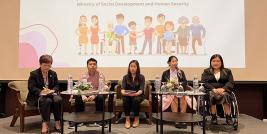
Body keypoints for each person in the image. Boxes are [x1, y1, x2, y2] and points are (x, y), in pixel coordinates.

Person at [26, 54, 62, 134]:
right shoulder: (34, 74)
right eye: (45, 65)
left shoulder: (53, 73)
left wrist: (52, 90)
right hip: (37, 97)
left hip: (50, 94)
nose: (47, 67)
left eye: (49, 65)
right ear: (40, 64)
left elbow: (57, 85)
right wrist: (41, 92)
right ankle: (45, 123)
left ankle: (57, 122)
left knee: (58, 99)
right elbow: (31, 87)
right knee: (47, 101)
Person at [69, 58, 107, 128]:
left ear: (96, 66)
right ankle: (78, 120)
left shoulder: (101, 75)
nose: (92, 66)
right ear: (87, 66)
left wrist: (94, 95)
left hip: (96, 94)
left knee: (100, 97)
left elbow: (101, 88)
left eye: (94, 64)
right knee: (78, 96)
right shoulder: (83, 75)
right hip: (85, 93)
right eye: (90, 64)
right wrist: (83, 95)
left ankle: (100, 121)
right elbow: (79, 87)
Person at [201, 54, 234, 125]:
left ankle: (228, 117)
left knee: (225, 95)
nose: (216, 63)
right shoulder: (206, 71)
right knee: (211, 95)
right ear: (211, 62)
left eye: (218, 61)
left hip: (224, 91)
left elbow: (230, 82)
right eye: (214, 61)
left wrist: (223, 89)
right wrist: (213, 89)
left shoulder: (227, 71)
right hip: (211, 91)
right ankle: (213, 116)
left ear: (221, 62)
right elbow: (204, 82)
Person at [161, 55, 188, 128]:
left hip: (179, 91)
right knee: (174, 97)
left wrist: (179, 85)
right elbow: (162, 84)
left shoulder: (180, 72)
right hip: (170, 92)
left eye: (176, 61)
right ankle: (176, 120)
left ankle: (183, 120)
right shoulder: (165, 73)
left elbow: (185, 82)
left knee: (183, 98)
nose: (175, 63)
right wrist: (170, 86)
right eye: (173, 61)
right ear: (169, 63)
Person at [121, 60, 145, 129]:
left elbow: (141, 90)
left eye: (134, 66)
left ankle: (136, 119)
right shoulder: (125, 77)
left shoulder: (141, 77)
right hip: (127, 95)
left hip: (138, 95)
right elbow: (122, 89)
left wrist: (135, 94)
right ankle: (127, 120)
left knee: (135, 100)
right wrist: (125, 93)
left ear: (137, 68)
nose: (132, 68)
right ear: (129, 67)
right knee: (125, 99)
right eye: (131, 66)